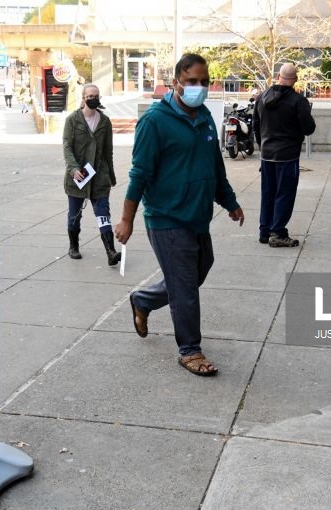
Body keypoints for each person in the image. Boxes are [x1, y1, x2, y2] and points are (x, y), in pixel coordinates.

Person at [114, 53, 245, 377]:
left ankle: (144, 300)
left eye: (204, 81)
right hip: (167, 217)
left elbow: (215, 166)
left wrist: (230, 202)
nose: (199, 87)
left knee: (198, 270)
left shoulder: (205, 117)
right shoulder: (154, 121)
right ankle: (190, 350)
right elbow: (139, 173)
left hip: (197, 216)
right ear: (175, 82)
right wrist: (127, 219)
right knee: (185, 286)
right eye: (191, 81)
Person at [252, 62, 315, 247]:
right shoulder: (298, 101)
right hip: (287, 155)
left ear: (278, 77)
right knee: (285, 193)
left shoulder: (262, 97)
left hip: (267, 153)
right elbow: (309, 128)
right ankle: (278, 232)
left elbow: (256, 125)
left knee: (268, 193)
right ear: (295, 79)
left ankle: (265, 231)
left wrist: (263, 145)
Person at [62, 83, 121, 266]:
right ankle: (73, 246)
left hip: (99, 176)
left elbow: (108, 151)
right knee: (74, 215)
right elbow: (67, 147)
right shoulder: (73, 120)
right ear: (83, 98)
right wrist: (73, 169)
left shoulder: (105, 121)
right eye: (90, 96)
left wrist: (111, 176)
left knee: (103, 213)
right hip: (78, 176)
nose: (93, 99)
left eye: (96, 96)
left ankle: (110, 251)